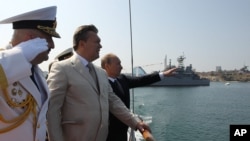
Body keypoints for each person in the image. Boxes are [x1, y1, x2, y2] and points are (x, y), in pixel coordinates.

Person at [47, 24, 150, 141]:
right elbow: (52, 110)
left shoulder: (101, 73)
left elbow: (114, 101)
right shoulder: (62, 68)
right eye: (97, 42)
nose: (100, 46)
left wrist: (135, 122)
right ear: (82, 43)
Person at [0, 6, 60, 141]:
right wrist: (18, 55)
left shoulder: (37, 72)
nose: (52, 45)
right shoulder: (6, 61)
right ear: (31, 39)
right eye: (49, 37)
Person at [101, 53, 177, 141]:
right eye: (118, 64)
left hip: (123, 132)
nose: (121, 67)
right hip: (107, 134)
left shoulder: (122, 79)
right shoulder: (100, 84)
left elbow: (141, 80)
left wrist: (163, 74)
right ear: (107, 66)